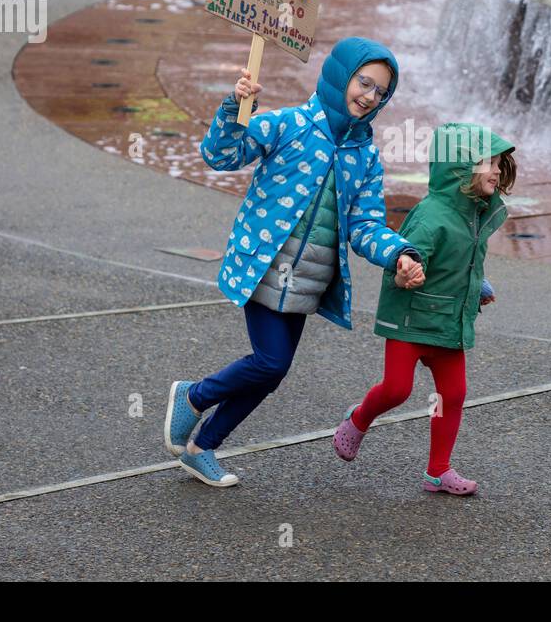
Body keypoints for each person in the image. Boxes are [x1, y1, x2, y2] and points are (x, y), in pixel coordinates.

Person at [165, 37, 425, 487]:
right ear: (340, 76)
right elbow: (221, 155)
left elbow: (366, 226)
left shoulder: (364, 156)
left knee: (273, 372)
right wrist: (235, 108)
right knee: (269, 362)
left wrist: (399, 253)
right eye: (364, 82)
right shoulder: (289, 125)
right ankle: (194, 397)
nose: (369, 96)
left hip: (307, 281)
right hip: (264, 263)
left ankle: (201, 447)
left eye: (380, 91)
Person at [332, 122, 517, 496]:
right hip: (412, 319)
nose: (497, 170)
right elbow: (404, 262)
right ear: (461, 168)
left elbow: (464, 260)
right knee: (397, 389)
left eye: (499, 163)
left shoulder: (475, 213)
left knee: (454, 394)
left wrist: (475, 287)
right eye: (489, 162)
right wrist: (404, 276)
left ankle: (438, 470)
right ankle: (359, 417)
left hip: (448, 321)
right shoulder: (431, 217)